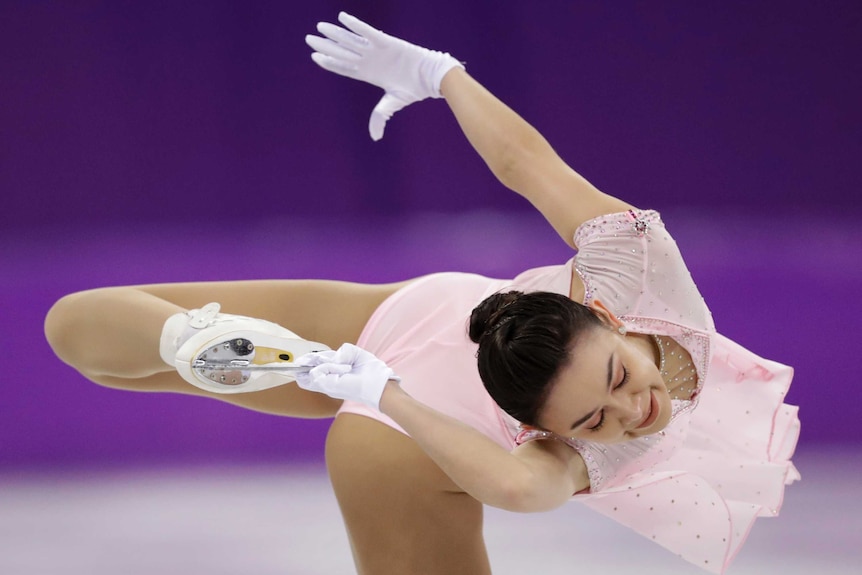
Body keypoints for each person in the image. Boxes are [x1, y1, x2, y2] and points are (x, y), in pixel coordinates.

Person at [44, 11, 800, 575]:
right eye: (611, 390)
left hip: (409, 361)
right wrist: (442, 75)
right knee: (71, 328)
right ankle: (196, 343)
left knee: (87, 334)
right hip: (398, 387)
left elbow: (513, 482)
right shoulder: (624, 314)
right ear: (602, 310)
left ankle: (196, 342)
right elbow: (530, 166)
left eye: (602, 408)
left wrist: (388, 393)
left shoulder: (612, 349)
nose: (638, 410)